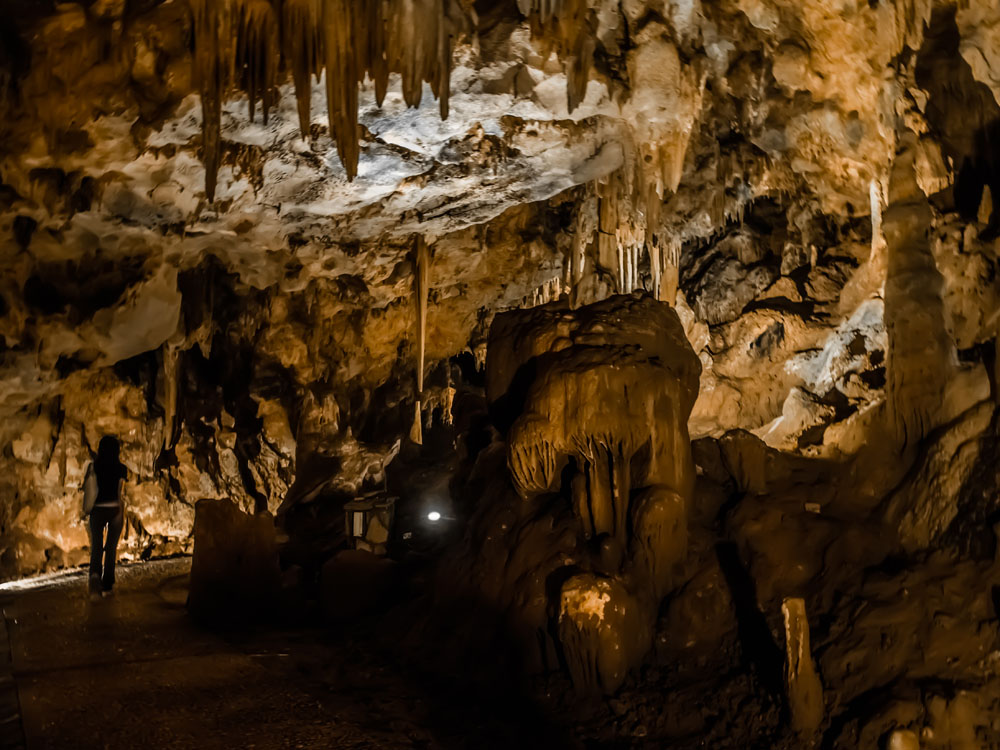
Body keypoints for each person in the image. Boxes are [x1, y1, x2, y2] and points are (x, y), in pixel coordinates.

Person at [82, 436, 127, 598]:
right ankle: (108, 582)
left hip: (97, 510)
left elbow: (87, 488)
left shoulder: (94, 466)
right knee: (110, 548)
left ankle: (94, 581)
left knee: (97, 546)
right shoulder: (122, 468)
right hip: (114, 509)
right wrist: (120, 512)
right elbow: (119, 493)